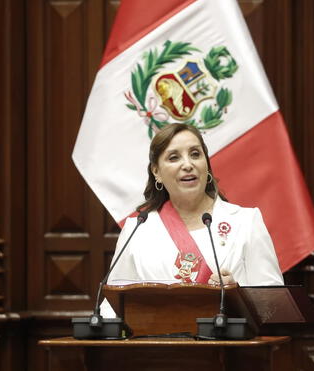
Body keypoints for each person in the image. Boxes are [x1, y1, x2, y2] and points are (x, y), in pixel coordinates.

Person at [101, 124, 283, 315]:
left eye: (195, 154)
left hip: (227, 343)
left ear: (206, 163)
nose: (188, 165)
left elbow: (275, 305)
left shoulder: (246, 221)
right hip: (157, 344)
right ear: (156, 172)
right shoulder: (137, 229)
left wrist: (238, 295)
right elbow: (113, 307)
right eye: (174, 157)